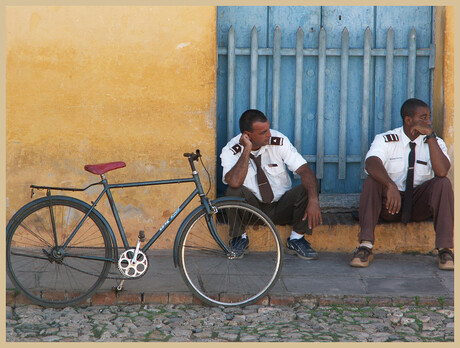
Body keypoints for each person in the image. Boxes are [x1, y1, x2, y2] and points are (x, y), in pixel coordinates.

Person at [350, 98, 454, 270]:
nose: (428, 122)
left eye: (429, 117)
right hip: (391, 205)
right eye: (423, 117)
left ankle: (445, 250)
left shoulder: (435, 142)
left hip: (419, 205)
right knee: (372, 182)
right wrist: (390, 185)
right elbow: (371, 163)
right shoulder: (386, 139)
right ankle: (365, 246)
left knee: (443, 183)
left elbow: (442, 171)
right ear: (408, 120)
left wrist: (431, 137)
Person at [220, 109, 322, 259]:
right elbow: (234, 183)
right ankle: (239, 238)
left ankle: (296, 239)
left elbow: (305, 170)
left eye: (268, 129)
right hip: (251, 210)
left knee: (307, 188)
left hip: (281, 207)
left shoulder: (278, 140)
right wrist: (246, 150)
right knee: (232, 192)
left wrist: (314, 201)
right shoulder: (231, 149)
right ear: (247, 135)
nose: (269, 134)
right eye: (263, 132)